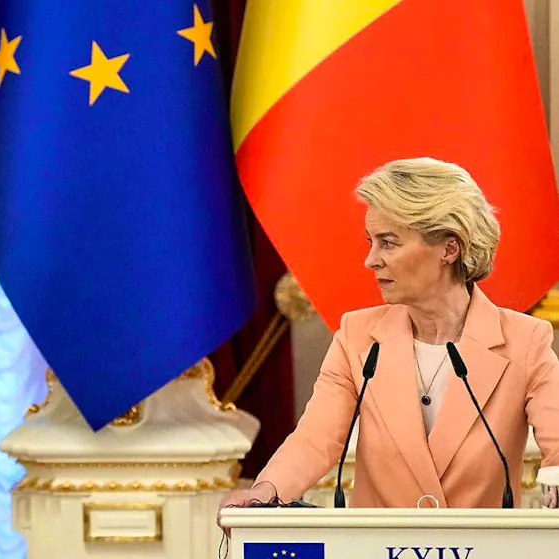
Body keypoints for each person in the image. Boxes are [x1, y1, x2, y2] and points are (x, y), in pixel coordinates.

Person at [218, 157, 559, 514]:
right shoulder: (358, 337)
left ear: (449, 248)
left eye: (389, 243)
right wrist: (266, 491)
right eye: (371, 241)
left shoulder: (525, 341)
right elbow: (316, 438)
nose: (371, 260)